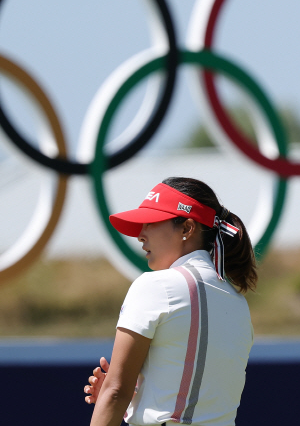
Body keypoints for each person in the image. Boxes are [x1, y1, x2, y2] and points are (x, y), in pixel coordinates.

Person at [84, 177, 257, 426]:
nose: (140, 234)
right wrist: (135, 402)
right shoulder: (238, 302)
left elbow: (116, 391)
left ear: (187, 228)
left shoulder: (155, 286)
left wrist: (114, 397)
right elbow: (195, 402)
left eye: (151, 221)